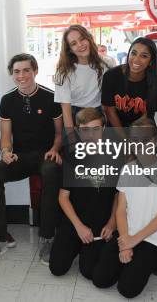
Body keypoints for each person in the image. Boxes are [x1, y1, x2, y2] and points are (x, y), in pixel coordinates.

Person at [0, 53, 63, 266]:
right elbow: (6, 137)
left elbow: (59, 133)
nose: (22, 75)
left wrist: (55, 148)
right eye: (17, 71)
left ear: (35, 71)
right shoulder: (7, 100)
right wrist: (5, 152)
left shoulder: (50, 97)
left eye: (26, 70)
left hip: (45, 154)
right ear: (12, 75)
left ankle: (47, 237)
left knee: (50, 171)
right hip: (20, 156)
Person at [92, 117, 157, 298]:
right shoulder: (128, 169)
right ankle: (130, 260)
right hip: (126, 234)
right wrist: (125, 243)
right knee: (100, 280)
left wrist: (134, 240)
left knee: (127, 290)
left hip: (149, 238)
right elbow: (121, 210)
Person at [49, 107, 116, 278]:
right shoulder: (72, 157)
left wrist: (111, 223)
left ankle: (90, 248)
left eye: (96, 130)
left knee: (88, 271)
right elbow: (63, 198)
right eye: (85, 130)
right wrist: (78, 227)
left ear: (103, 129)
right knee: (57, 268)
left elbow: (119, 196)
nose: (91, 136)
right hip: (74, 223)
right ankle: (75, 244)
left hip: (99, 225)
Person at [101, 37, 157, 134]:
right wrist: (125, 139)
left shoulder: (154, 81)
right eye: (133, 53)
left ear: (151, 60)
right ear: (128, 53)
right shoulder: (111, 76)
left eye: (144, 56)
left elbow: (148, 115)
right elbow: (109, 111)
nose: (136, 60)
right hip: (115, 130)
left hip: (142, 130)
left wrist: (135, 138)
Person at [54, 25, 111, 128]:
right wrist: (71, 139)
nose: (80, 45)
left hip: (99, 116)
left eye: (82, 39)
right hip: (75, 117)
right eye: (74, 43)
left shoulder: (106, 63)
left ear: (89, 38)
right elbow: (66, 111)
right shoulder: (64, 72)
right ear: (70, 49)